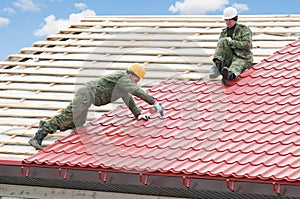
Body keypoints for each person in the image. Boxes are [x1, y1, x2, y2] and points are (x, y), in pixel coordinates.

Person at [28, 63, 163, 150]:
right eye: (137, 79)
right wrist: (153, 102)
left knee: (78, 123)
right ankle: (38, 137)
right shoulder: (123, 78)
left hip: (88, 97)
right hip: (87, 95)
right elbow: (136, 91)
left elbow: (129, 99)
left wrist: (138, 114)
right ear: (132, 75)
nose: (136, 82)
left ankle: (47, 124)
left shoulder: (122, 85)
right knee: (67, 116)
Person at [209, 7, 253, 85]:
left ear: (235, 19)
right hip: (229, 58)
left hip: (243, 58)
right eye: (226, 20)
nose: (228, 22)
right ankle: (217, 66)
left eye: (230, 19)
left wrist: (231, 42)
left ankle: (229, 75)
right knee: (222, 41)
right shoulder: (224, 32)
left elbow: (247, 45)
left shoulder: (243, 29)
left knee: (237, 64)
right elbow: (220, 48)